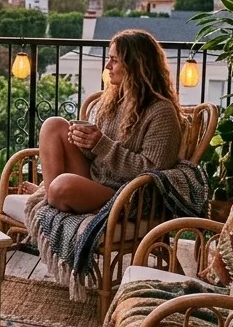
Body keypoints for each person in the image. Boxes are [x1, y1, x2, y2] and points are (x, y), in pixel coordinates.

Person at [36, 29, 183, 213]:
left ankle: (51, 196)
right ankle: (50, 197)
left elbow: (153, 170)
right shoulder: (113, 100)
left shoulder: (161, 111)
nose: (107, 66)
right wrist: (83, 141)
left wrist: (100, 143)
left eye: (114, 60)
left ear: (136, 65)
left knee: (61, 187)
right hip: (98, 179)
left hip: (125, 193)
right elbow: (96, 154)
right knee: (53, 125)